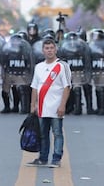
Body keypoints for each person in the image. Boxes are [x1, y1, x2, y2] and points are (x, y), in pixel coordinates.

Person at [28, 38, 71, 167]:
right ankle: (43, 158)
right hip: (42, 106)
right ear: (43, 50)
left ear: (55, 49)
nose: (49, 51)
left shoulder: (62, 66)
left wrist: (63, 105)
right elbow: (35, 87)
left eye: (52, 48)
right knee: (42, 134)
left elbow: (67, 87)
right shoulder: (39, 67)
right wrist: (33, 105)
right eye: (47, 48)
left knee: (57, 133)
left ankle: (56, 159)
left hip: (56, 107)